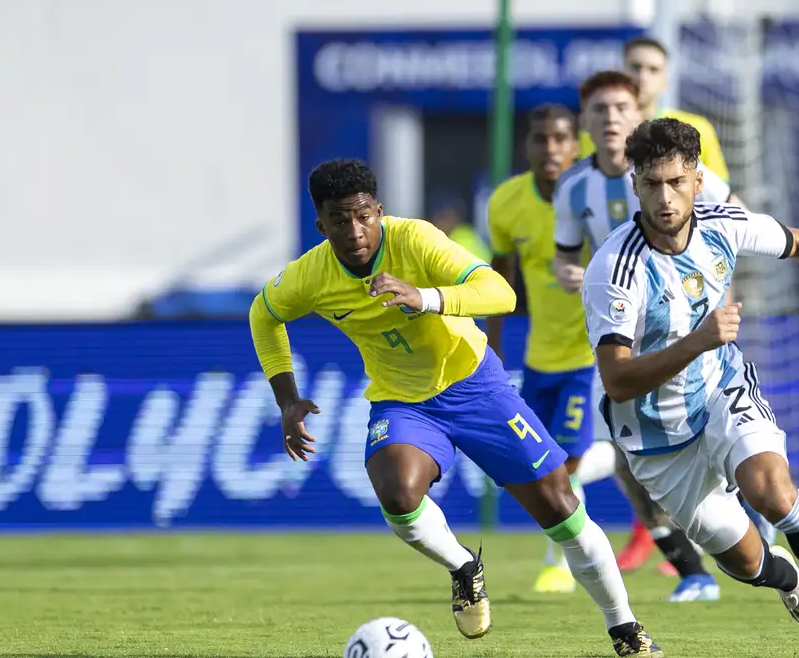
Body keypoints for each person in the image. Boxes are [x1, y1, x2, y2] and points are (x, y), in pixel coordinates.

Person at [249, 158, 663, 657]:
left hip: (475, 385)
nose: (355, 231)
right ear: (321, 225)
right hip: (403, 401)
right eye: (339, 220)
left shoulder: (416, 240)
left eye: (363, 216)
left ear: (380, 211)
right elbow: (263, 314)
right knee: (397, 494)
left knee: (560, 507)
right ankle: (464, 567)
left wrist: (423, 296)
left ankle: (625, 627)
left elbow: (501, 293)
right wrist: (287, 399)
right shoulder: (310, 275)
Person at [583, 119, 799, 657]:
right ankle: (794, 584)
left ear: (697, 180)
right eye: (652, 183)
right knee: (746, 563)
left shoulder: (723, 224)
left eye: (676, 182)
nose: (665, 197)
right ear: (634, 183)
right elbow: (616, 378)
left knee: (773, 492)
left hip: (720, 390)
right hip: (656, 436)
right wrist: (699, 340)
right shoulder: (614, 267)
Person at [552, 70, 730, 603]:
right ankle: (692, 570)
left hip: (691, 332)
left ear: (637, 115)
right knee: (628, 454)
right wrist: (571, 275)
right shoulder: (574, 186)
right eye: (599, 110)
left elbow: (732, 226)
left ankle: (762, 522)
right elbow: (565, 256)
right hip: (617, 338)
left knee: (719, 442)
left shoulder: (682, 174)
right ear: (585, 122)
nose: (609, 119)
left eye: (620, 109)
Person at [485, 103, 598, 594]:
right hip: (538, 358)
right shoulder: (506, 204)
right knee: (541, 464)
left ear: (576, 144)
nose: (550, 149)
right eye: (540, 138)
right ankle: (614, 461)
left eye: (560, 138)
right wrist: (491, 349)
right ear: (527, 145)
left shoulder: (596, 196)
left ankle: (563, 564)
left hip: (591, 354)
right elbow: (496, 283)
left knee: (562, 466)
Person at [579, 35, 729, 182]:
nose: (643, 77)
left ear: (665, 81)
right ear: (620, 74)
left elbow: (721, 197)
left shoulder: (698, 129)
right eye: (635, 67)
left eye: (653, 70)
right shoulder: (593, 132)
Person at [429, 199, 492, 264]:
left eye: (443, 217)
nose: (439, 222)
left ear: (455, 219)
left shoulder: (466, 241)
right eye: (438, 217)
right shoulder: (433, 240)